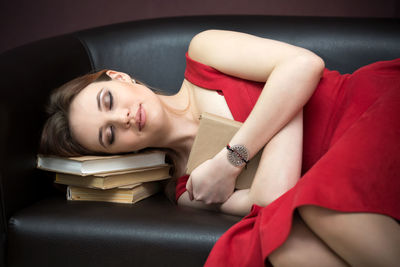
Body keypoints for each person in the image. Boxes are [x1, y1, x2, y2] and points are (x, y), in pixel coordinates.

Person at [40, 30, 400, 266]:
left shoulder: (203, 53)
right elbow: (275, 198)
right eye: (109, 136)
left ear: (119, 77)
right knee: (282, 238)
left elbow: (305, 64)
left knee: (319, 206)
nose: (122, 118)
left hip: (367, 107)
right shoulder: (188, 188)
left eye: (108, 100)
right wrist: (285, 96)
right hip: (321, 182)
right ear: (119, 154)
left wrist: (230, 162)